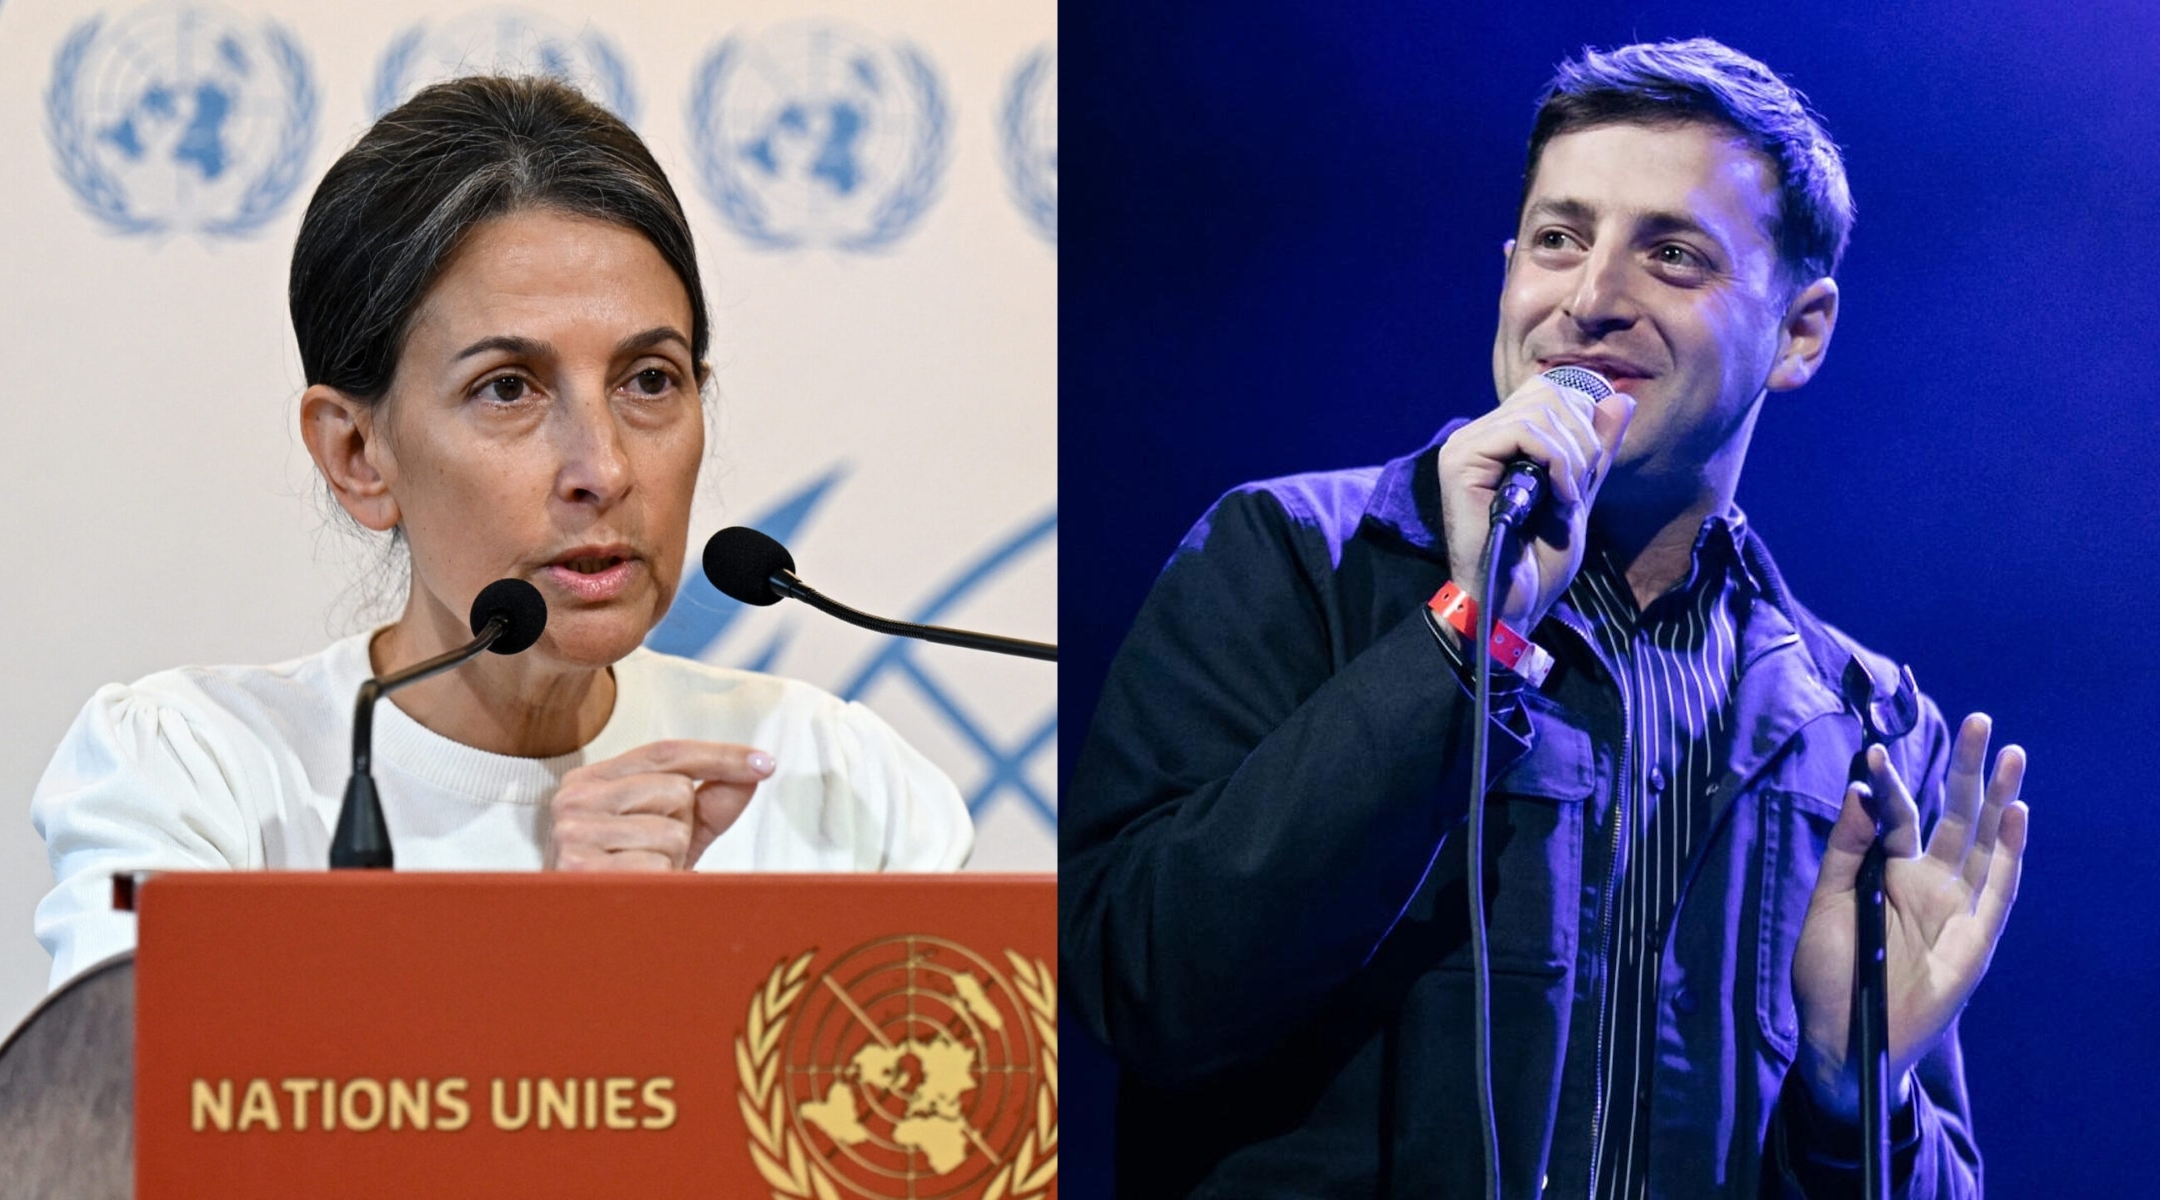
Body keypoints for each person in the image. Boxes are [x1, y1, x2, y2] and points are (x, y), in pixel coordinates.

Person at [1062, 38, 2028, 1198]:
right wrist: (1465, 639)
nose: (1590, 300)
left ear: (1800, 332)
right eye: (1560, 239)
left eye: (1671, 256)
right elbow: (1141, 989)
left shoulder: (1863, 727)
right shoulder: (1293, 558)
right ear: (1509, 268)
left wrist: (1852, 1096)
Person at [32, 76, 972, 989]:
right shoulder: (196, 776)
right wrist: (546, 958)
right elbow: (137, 1132)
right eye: (508, 389)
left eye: (650, 379)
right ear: (358, 453)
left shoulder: (837, 785)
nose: (602, 469)